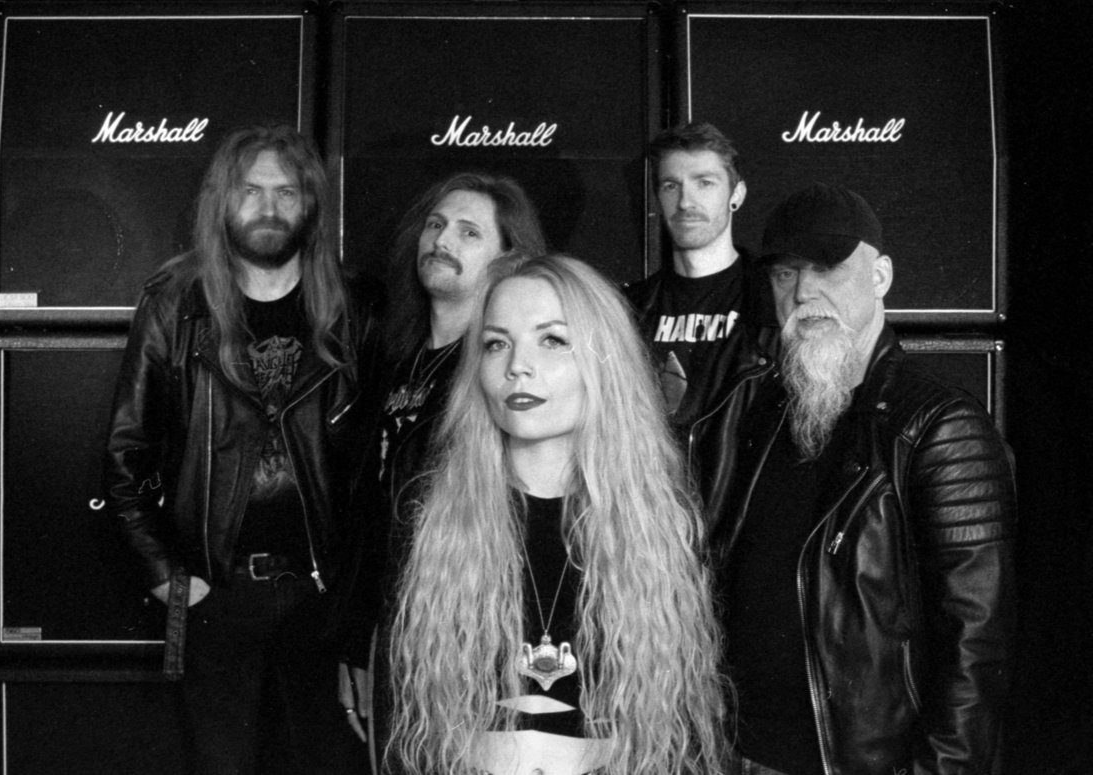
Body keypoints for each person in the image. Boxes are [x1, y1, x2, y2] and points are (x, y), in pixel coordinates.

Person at [715, 183, 1016, 774]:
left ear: (880, 277)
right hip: (741, 757)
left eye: (827, 267)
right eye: (785, 274)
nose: (804, 292)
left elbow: (977, 647)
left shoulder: (939, 426)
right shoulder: (757, 415)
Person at [104, 124, 377, 774]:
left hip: (320, 599)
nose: (269, 206)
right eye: (251, 190)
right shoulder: (177, 305)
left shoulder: (353, 309)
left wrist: (353, 605)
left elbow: (375, 468)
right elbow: (124, 454)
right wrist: (174, 582)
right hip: (216, 594)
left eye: (287, 191)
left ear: (310, 204)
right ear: (223, 201)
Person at [387, 254, 727, 775]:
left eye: (551, 340)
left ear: (604, 359)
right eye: (496, 343)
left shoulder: (655, 529)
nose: (517, 366)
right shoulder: (436, 523)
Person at [335, 172, 547, 762]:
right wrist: (359, 642)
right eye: (436, 225)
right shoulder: (390, 361)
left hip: (478, 646)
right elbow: (369, 516)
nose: (443, 240)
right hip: (389, 637)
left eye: (469, 232)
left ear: (508, 258)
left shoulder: (505, 375)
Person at [624, 122, 778, 524]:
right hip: (651, 530)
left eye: (704, 183)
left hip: (746, 526)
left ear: (736, 194)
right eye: (671, 185)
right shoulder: (627, 311)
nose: (686, 201)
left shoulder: (773, 305)